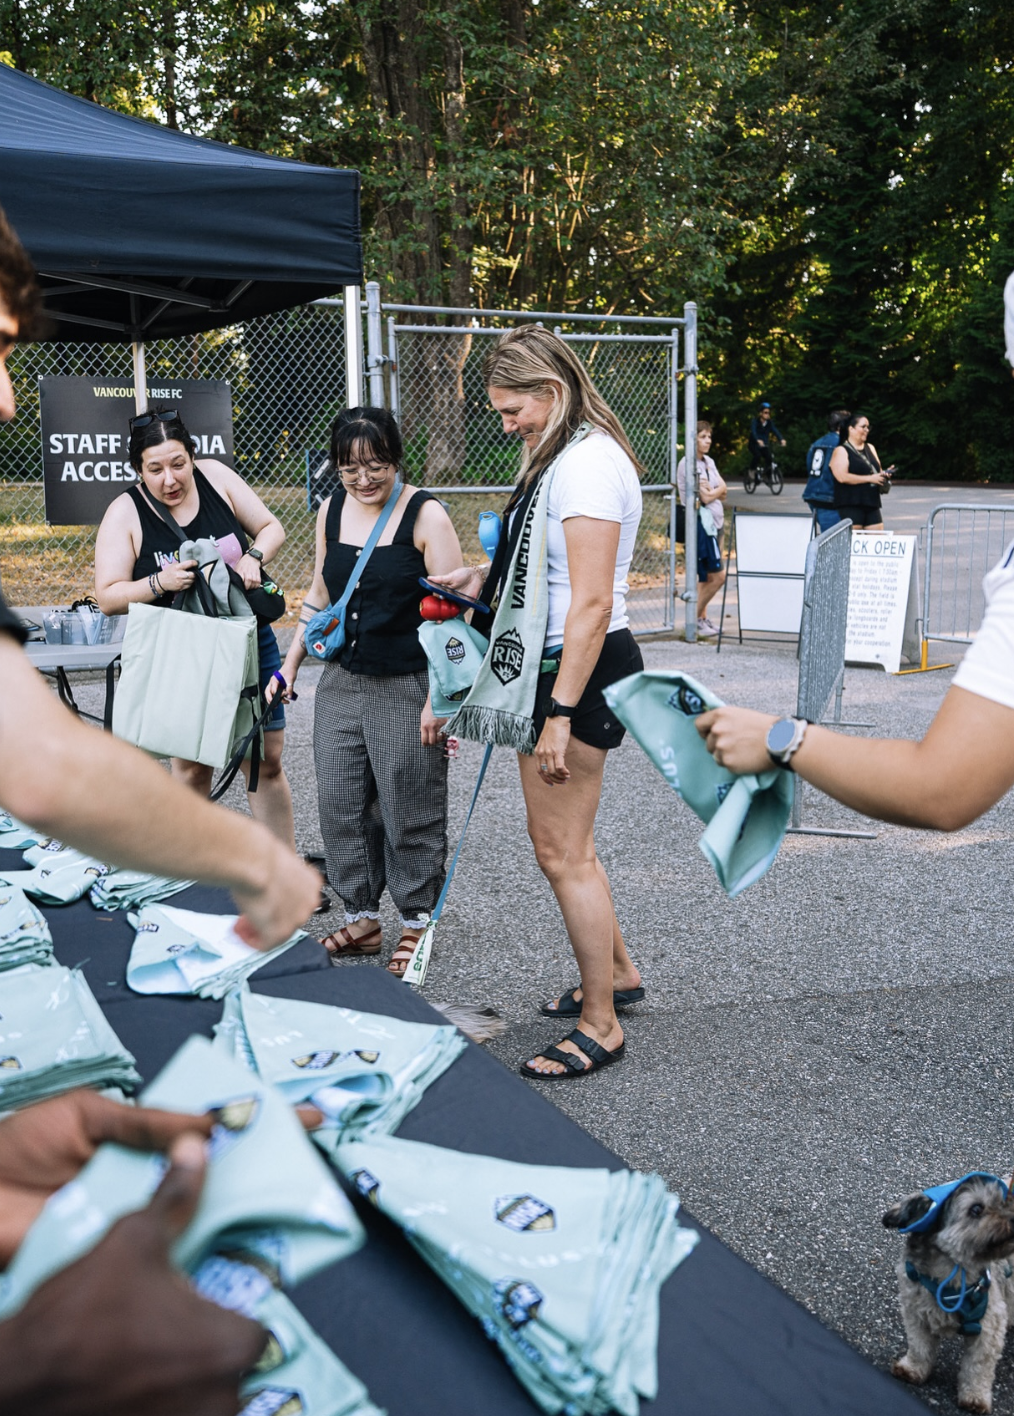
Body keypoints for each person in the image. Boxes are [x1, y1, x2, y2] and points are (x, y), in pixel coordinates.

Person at [0, 202, 320, 1414]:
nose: (6, 396)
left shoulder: (223, 480)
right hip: (174, 658)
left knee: (259, 771)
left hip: (241, 648)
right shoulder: (129, 516)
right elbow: (44, 764)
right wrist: (258, 866)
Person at [432, 326, 644, 1080]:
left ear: (551, 392)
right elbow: (549, 569)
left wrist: (559, 712)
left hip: (572, 671)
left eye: (512, 409)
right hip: (560, 664)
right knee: (570, 843)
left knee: (562, 852)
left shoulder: (584, 465)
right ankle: (617, 974)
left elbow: (590, 603)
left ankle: (601, 1024)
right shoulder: (569, 455)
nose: (506, 424)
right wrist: (482, 577)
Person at [269, 407, 463, 976]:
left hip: (408, 684)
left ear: (396, 459)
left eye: (375, 465)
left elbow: (454, 622)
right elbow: (319, 593)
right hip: (343, 683)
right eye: (350, 468)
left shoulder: (426, 515)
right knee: (341, 802)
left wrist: (438, 700)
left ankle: (417, 921)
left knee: (408, 805)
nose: (363, 479)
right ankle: (361, 919)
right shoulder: (331, 510)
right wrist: (290, 665)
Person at [94, 409, 296, 847]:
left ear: (192, 456)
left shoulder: (216, 478)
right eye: (155, 469)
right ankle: (185, 868)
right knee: (191, 767)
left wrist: (254, 557)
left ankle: (284, 871)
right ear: (138, 469)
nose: (170, 479)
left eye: (178, 463)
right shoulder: (125, 512)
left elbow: (271, 527)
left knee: (265, 760)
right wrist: (159, 582)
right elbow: (107, 596)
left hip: (247, 638)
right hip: (182, 650)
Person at [677, 420, 727, 637]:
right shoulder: (688, 464)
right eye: (703, 437)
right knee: (718, 576)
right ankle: (692, 619)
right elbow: (705, 497)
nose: (708, 441)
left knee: (706, 577)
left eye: (709, 437)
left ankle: (700, 619)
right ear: (693, 439)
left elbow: (724, 491)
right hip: (701, 526)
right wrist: (716, 490)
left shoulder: (709, 461)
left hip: (716, 523)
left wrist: (715, 489)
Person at [830, 411, 893, 532]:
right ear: (851, 429)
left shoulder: (870, 447)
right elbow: (842, 477)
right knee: (854, 542)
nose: (867, 430)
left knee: (876, 541)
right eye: (863, 426)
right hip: (850, 503)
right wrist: (870, 479)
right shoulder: (841, 450)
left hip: (871, 503)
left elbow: (877, 471)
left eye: (868, 427)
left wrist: (885, 474)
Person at [803, 408, 850, 532]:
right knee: (832, 537)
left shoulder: (817, 443)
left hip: (812, 494)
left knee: (826, 533)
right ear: (841, 426)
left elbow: (809, 466)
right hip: (828, 496)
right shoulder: (840, 445)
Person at [749, 401, 785, 477]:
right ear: (760, 413)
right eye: (765, 413)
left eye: (769, 413)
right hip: (754, 444)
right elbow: (753, 432)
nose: (767, 414)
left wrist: (781, 439)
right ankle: (752, 470)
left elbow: (775, 430)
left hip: (764, 444)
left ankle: (768, 476)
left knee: (769, 458)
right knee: (757, 456)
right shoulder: (755, 421)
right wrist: (757, 440)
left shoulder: (769, 423)